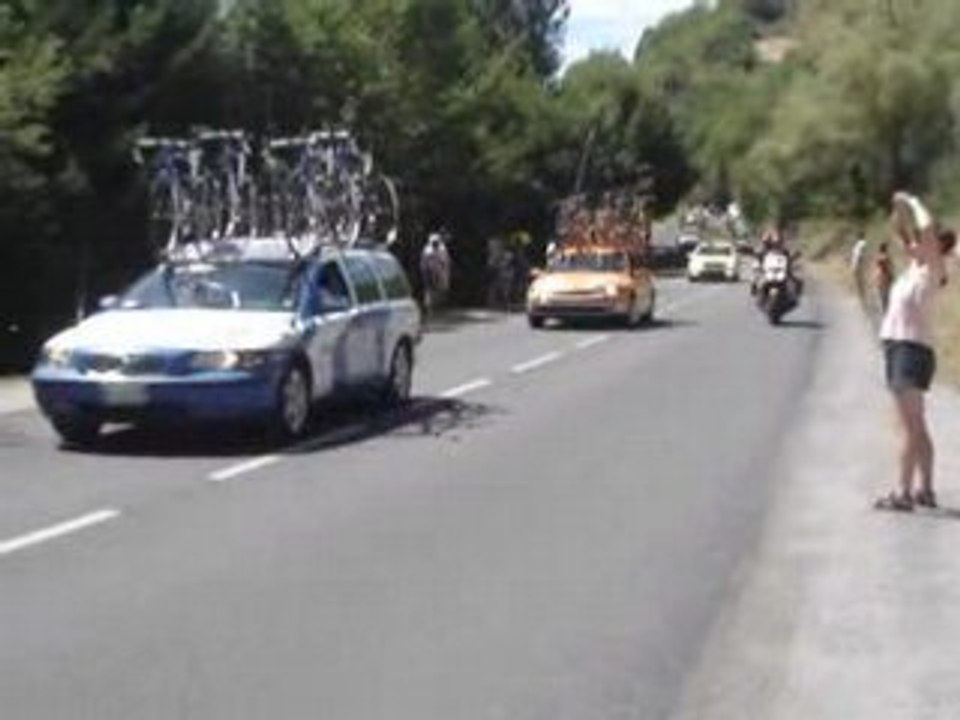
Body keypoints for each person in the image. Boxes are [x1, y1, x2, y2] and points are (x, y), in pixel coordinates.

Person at [874, 192, 956, 511]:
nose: (915, 245)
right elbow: (904, 233)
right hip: (901, 348)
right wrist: (898, 212)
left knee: (908, 427)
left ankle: (903, 492)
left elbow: (924, 230)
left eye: (923, 242)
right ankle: (925, 489)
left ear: (934, 247)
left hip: (910, 350)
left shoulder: (931, 271)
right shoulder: (916, 268)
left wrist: (914, 201)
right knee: (916, 425)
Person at [420, 231, 451, 317]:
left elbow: (445, 261)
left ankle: (435, 307)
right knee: (429, 290)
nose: (435, 244)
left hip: (437, 272)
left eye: (436, 242)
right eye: (434, 242)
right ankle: (430, 308)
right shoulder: (428, 250)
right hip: (429, 272)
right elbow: (425, 263)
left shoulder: (441, 248)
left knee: (437, 290)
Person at [872, 241, 894, 313]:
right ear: (885, 249)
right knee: (887, 296)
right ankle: (886, 312)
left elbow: (876, 267)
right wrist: (891, 277)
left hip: (879, 278)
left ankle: (883, 311)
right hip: (885, 278)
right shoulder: (886, 257)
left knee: (882, 296)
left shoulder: (877, 257)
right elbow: (890, 267)